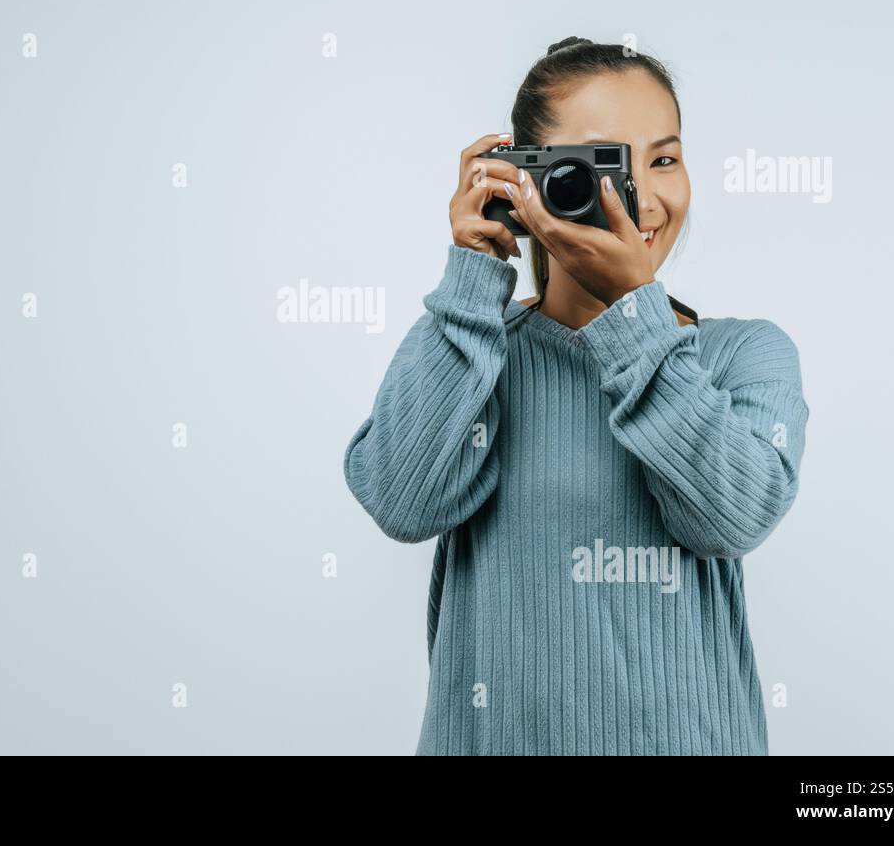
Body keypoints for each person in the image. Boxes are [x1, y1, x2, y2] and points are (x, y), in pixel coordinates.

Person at [343, 37, 809, 755]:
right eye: (603, 167)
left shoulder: (741, 354)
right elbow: (399, 501)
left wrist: (633, 308)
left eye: (663, 159)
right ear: (523, 180)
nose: (644, 200)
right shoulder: (478, 351)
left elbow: (733, 516)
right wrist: (474, 271)